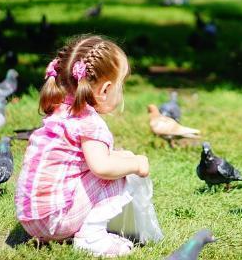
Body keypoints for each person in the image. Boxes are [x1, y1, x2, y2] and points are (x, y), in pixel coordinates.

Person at [15, 35, 157, 257]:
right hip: (54, 220)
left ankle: (75, 229)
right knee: (120, 171)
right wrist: (137, 163)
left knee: (119, 159)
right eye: (122, 85)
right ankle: (92, 237)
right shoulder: (89, 123)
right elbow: (101, 167)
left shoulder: (60, 109)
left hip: (30, 218)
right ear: (105, 89)